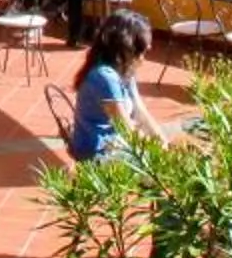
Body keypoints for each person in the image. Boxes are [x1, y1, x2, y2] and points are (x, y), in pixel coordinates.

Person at [67, 10, 165, 162]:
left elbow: (140, 110)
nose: (142, 59)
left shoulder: (124, 69)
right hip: (97, 151)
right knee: (158, 171)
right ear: (125, 48)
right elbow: (124, 127)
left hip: (116, 143)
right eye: (140, 52)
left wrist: (161, 140)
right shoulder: (104, 77)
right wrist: (155, 154)